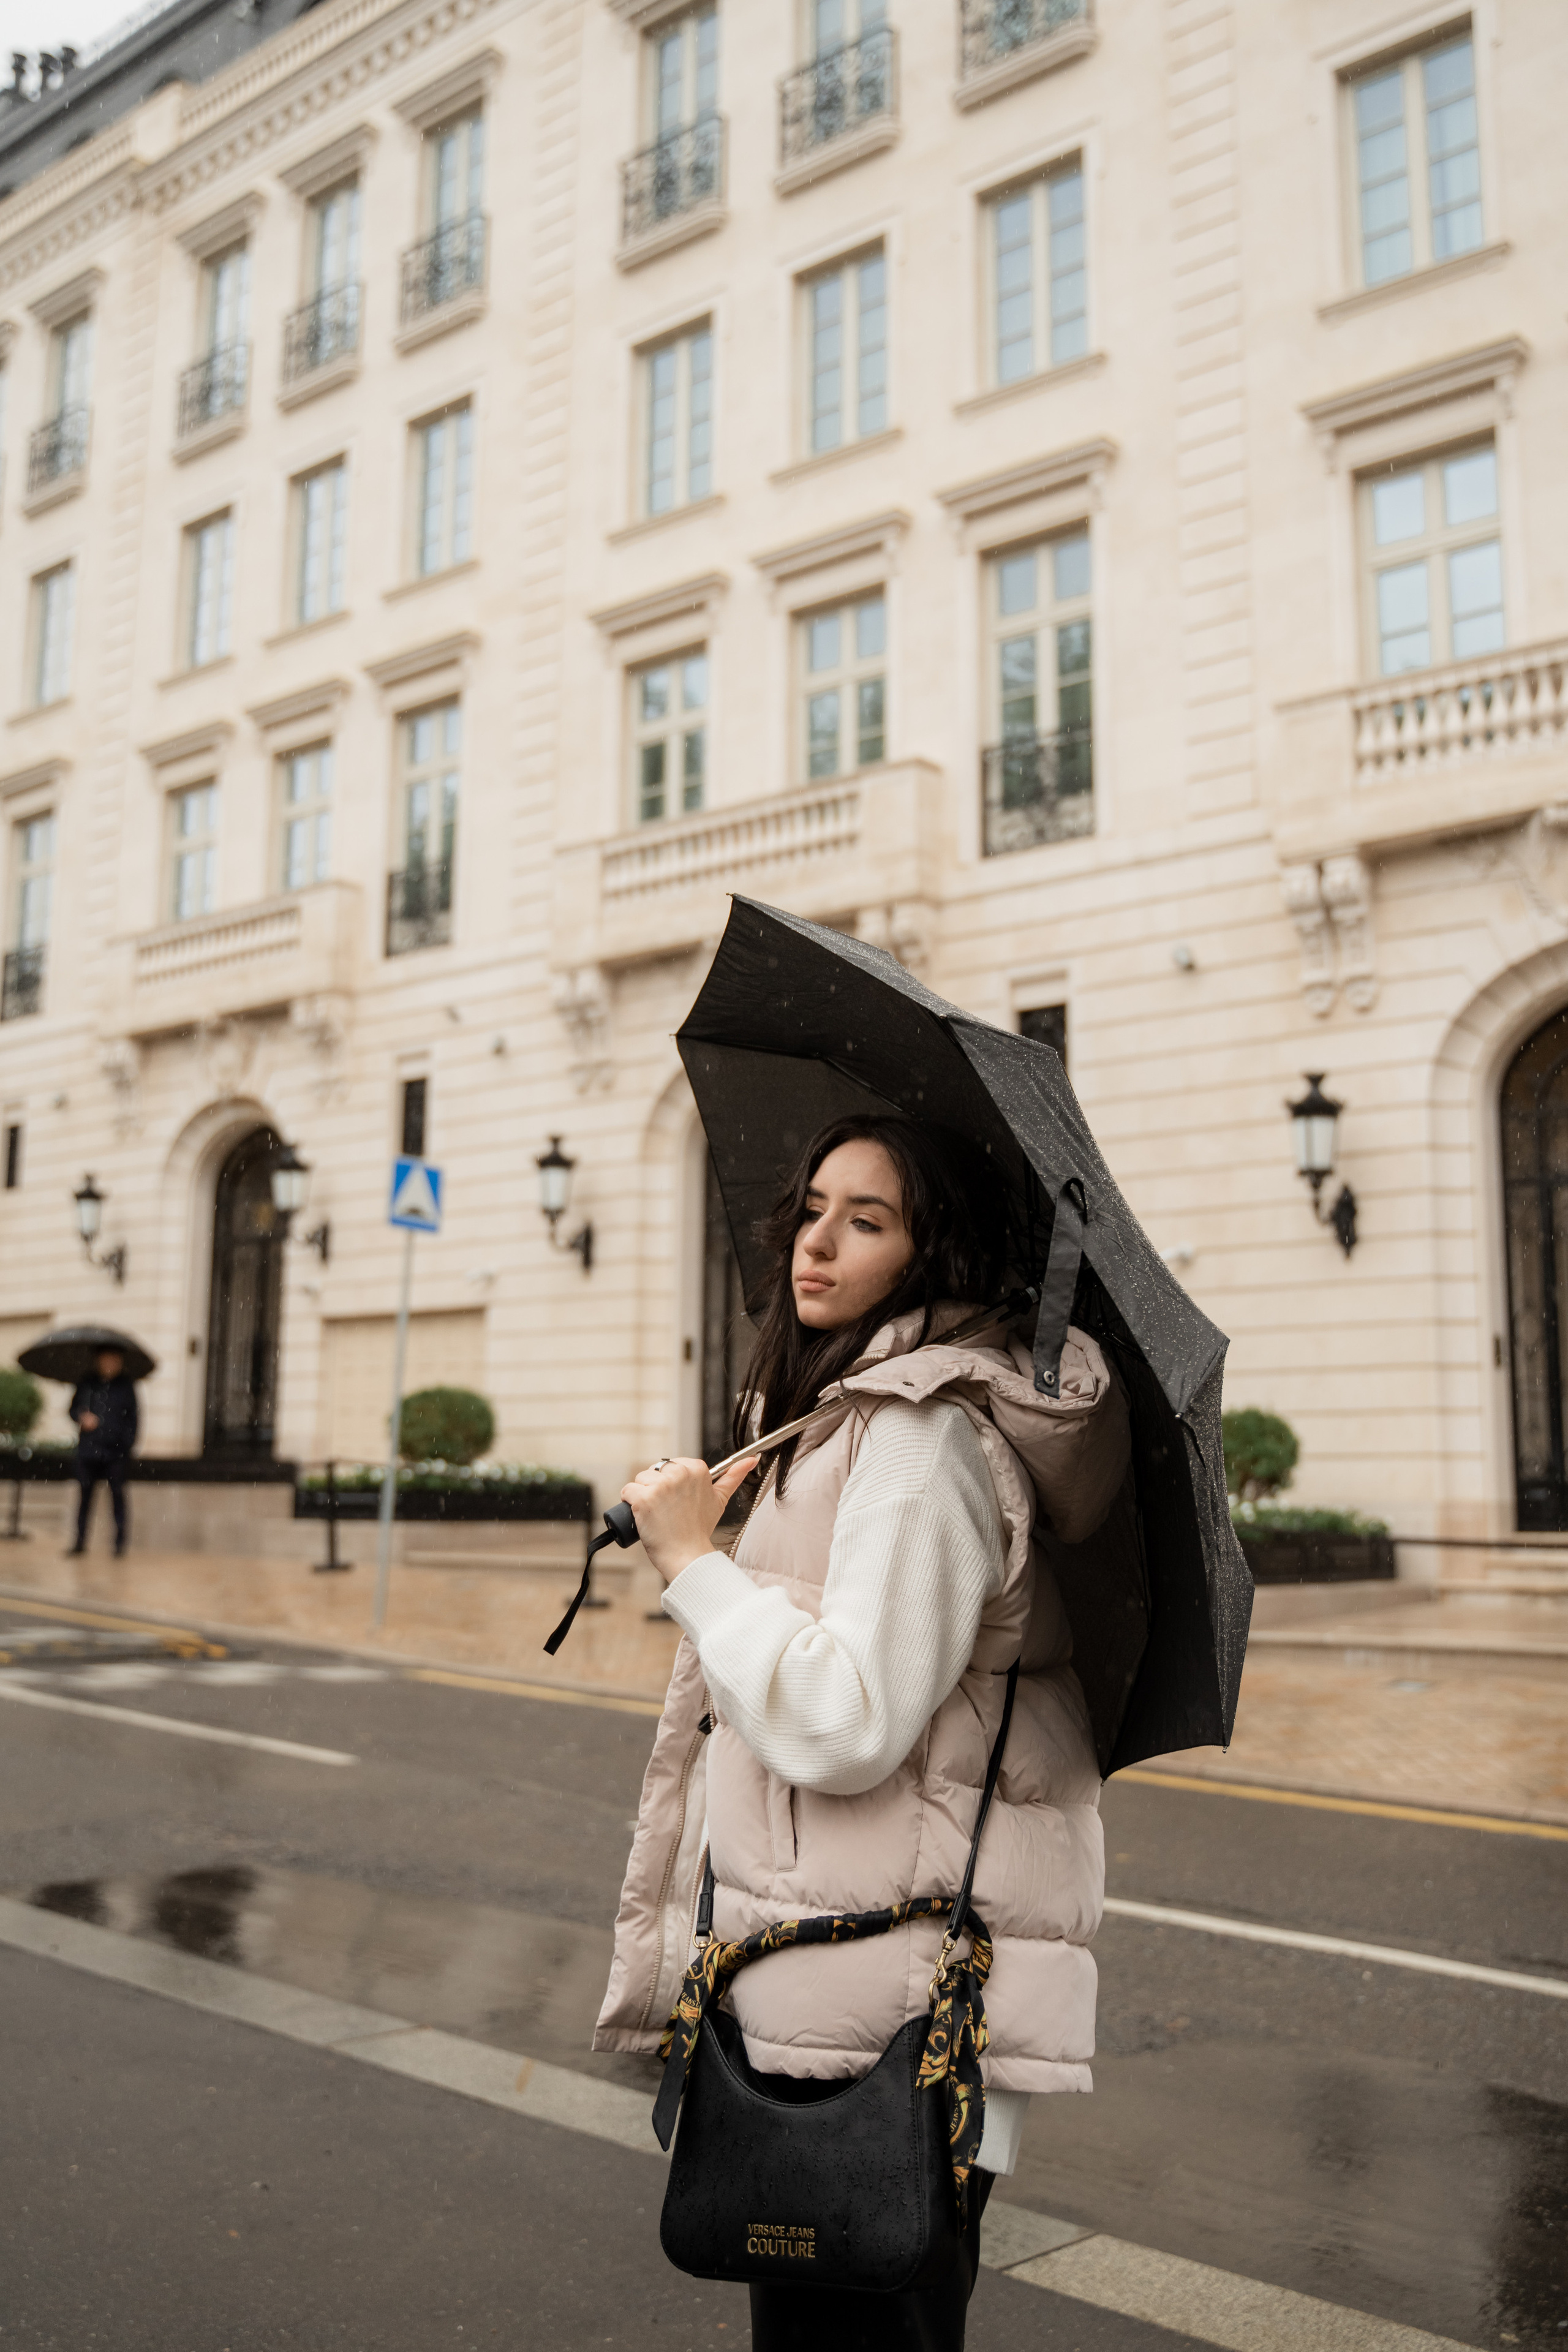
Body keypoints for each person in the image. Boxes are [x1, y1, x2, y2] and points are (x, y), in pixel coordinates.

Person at [595, 1115, 1134, 2351]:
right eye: (813, 1206)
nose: (817, 1240)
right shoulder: (851, 1423)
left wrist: (693, 1567)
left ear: (929, 1252)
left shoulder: (914, 1440)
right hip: (839, 1986)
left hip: (876, 2014)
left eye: (868, 1219)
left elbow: (842, 1722)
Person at [67, 1348, 138, 1558]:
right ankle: (80, 1541)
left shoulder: (126, 1386)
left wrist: (127, 1445)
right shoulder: (87, 1383)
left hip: (115, 1452)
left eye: (114, 1360)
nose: (109, 1364)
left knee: (117, 1495)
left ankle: (119, 1544)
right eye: (105, 1360)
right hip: (89, 1450)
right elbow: (72, 1409)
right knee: (85, 1495)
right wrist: (82, 1416)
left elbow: (133, 1419)